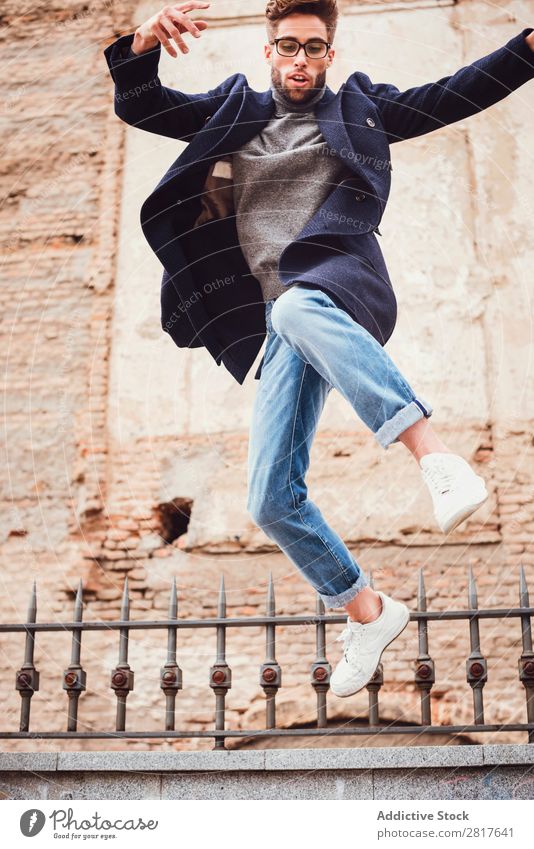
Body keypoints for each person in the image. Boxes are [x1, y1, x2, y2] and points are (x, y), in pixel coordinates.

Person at [104, 0, 534, 698]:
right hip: (279, 323)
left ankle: (435, 456)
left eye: (312, 47)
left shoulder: (360, 109)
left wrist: (528, 48)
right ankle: (367, 609)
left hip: (335, 290)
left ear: (329, 54)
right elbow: (144, 106)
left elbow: (456, 93)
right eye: (286, 46)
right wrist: (143, 42)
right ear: (269, 50)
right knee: (269, 498)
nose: (299, 59)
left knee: (302, 302)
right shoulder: (233, 110)